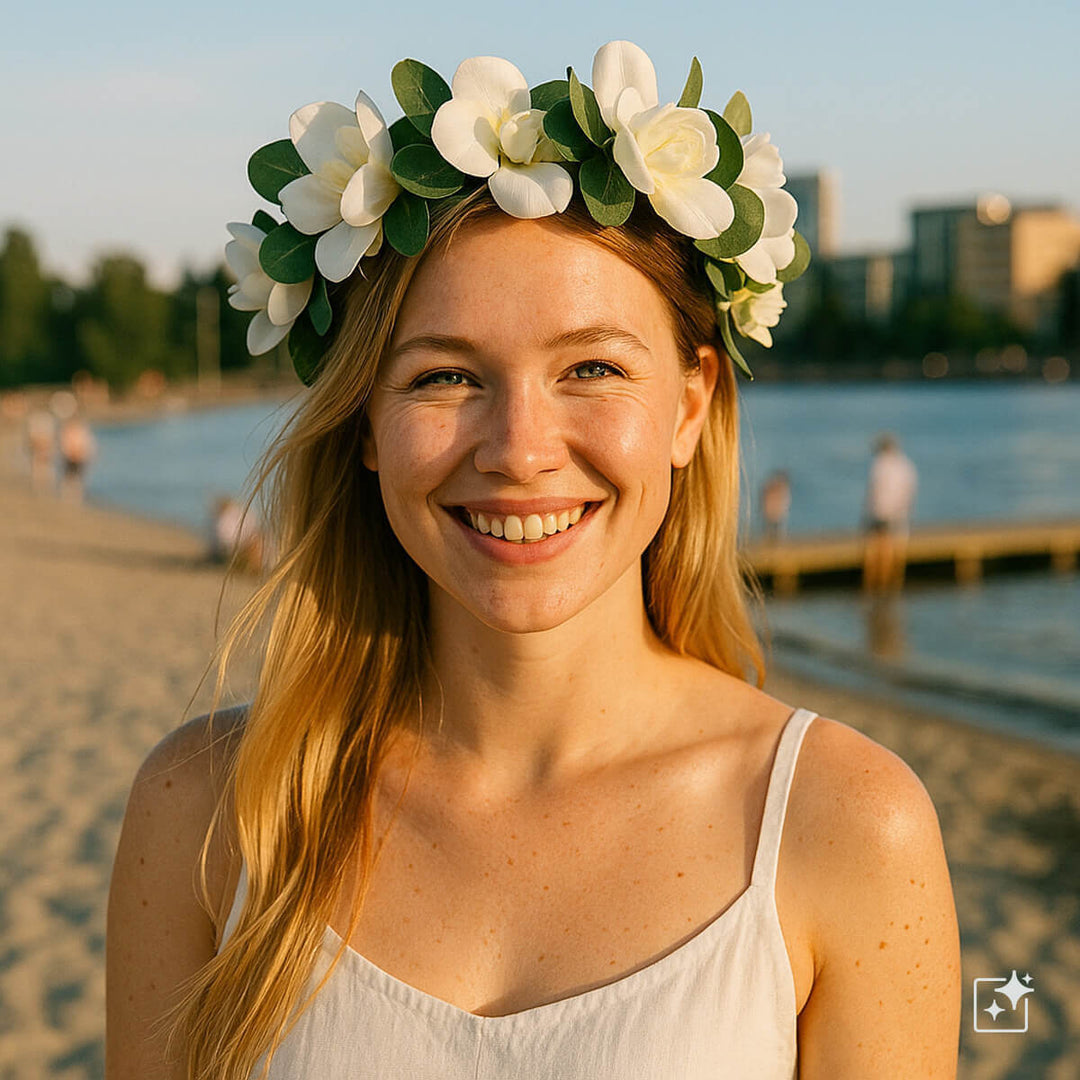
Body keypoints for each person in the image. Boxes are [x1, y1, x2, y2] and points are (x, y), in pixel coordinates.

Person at [107, 41, 960, 1079]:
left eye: (592, 367)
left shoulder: (847, 826)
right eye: (444, 376)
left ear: (689, 406)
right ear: (364, 424)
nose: (518, 450)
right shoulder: (207, 812)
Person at [862, 432, 918, 593]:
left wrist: (868, 511)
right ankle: (893, 586)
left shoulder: (879, 464)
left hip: (880, 511)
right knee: (896, 550)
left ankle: (873, 586)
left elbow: (874, 490)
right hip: (899, 512)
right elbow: (910, 491)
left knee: (876, 549)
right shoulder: (907, 466)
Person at [57, 413, 97, 504]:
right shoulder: (66, 430)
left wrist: (84, 454)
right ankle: (69, 496)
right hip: (70, 457)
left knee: (78, 477)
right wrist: (69, 453)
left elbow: (89, 445)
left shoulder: (82, 431)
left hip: (79, 457)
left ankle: (76, 496)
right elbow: (63, 444)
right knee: (69, 476)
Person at [761, 469, 791, 541]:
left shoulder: (769, 487)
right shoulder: (779, 489)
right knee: (774, 528)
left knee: (772, 528)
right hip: (773, 513)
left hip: (771, 513)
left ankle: (773, 540)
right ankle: (775, 540)